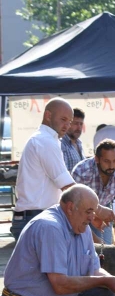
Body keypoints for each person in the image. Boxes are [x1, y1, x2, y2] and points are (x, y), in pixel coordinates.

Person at [11, 98, 76, 241]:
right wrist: (95, 208)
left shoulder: (45, 139)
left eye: (69, 122)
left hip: (34, 217)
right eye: (63, 119)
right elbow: (67, 185)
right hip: (36, 218)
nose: (67, 125)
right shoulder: (45, 141)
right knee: (50, 263)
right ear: (48, 115)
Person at [72, 139, 115, 245]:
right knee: (82, 246)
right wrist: (93, 215)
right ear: (97, 159)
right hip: (79, 210)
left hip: (105, 207)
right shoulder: (81, 171)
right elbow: (75, 202)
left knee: (105, 249)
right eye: (107, 161)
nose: (111, 166)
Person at [61, 107, 85, 172]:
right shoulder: (61, 144)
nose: (79, 127)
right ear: (68, 124)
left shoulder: (79, 144)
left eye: (81, 124)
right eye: (76, 123)